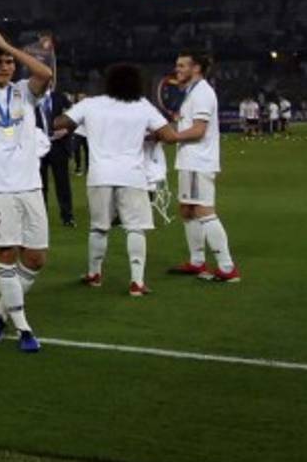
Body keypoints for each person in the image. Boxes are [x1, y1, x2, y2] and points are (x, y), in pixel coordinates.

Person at [0, 22, 53, 353]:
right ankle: (24, 328)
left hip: (29, 185)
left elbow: (44, 73)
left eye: (9, 63)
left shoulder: (23, 91)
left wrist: (7, 46)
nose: (5, 66)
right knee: (5, 253)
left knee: (36, 257)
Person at [54, 65, 177, 297]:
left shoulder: (91, 104)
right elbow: (169, 136)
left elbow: (60, 123)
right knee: (135, 228)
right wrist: (148, 135)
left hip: (100, 174)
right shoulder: (142, 106)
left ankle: (94, 274)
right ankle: (137, 283)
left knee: (99, 227)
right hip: (132, 174)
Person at [164, 52, 238, 283]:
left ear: (196, 68)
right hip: (189, 160)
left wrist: (172, 136)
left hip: (198, 160)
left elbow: (198, 130)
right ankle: (197, 262)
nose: (177, 69)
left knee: (203, 210)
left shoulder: (203, 93)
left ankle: (227, 268)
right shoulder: (191, 93)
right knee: (187, 209)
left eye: (181, 65)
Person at [36, 88, 75, 227]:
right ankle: (41, 217)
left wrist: (67, 129)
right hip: (38, 146)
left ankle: (67, 216)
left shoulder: (60, 97)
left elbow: (74, 116)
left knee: (62, 183)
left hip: (58, 145)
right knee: (40, 184)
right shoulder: (30, 96)